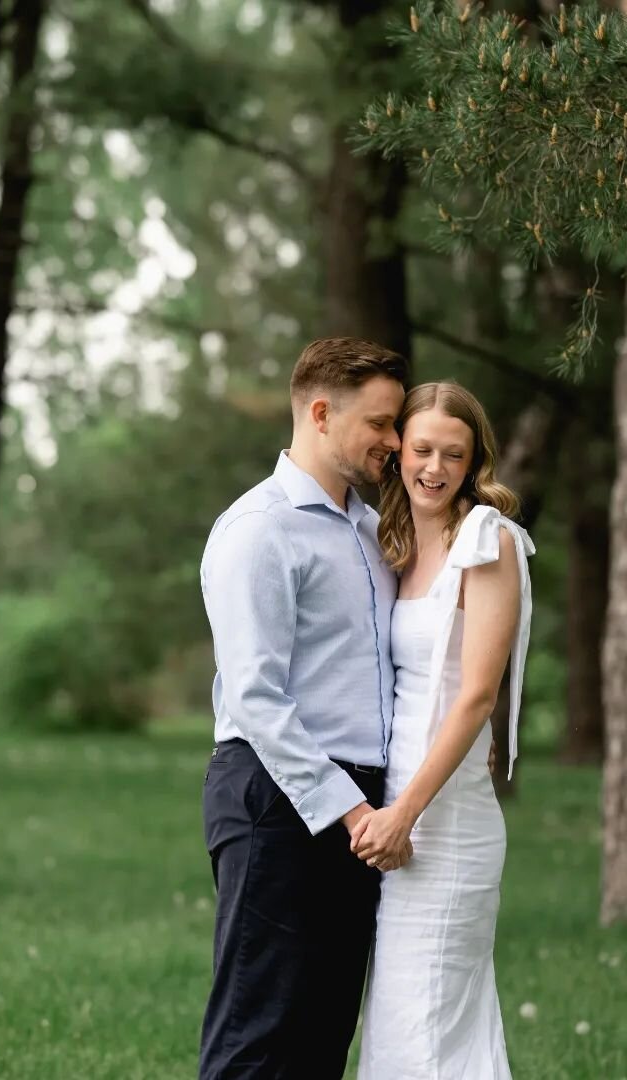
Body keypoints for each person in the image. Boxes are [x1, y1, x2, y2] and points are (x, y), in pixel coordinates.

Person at [197, 337, 410, 1080]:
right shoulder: (259, 530)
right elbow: (256, 698)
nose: (395, 441)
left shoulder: (368, 530)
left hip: (356, 807)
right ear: (320, 413)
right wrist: (353, 813)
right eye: (380, 424)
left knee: (321, 1042)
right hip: (277, 801)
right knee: (258, 1042)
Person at [353, 381, 534, 1079]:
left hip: (444, 820)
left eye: (452, 454)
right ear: (398, 451)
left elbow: (476, 695)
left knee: (429, 1027)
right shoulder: (394, 541)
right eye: (421, 449)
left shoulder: (486, 539)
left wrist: (405, 812)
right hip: (398, 811)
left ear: (473, 461)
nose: (434, 467)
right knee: (402, 1024)